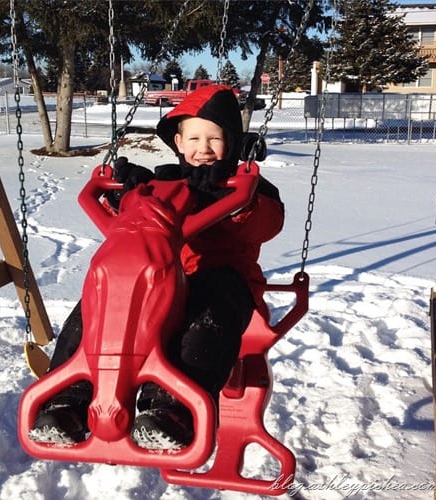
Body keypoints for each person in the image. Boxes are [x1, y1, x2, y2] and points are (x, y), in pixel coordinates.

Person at [28, 84, 284, 450]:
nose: (204, 148)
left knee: (209, 312)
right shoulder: (164, 182)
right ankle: (64, 401)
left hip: (226, 282)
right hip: (156, 283)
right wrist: (126, 192)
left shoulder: (247, 185)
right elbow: (133, 225)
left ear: (232, 142)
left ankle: (171, 410)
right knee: (97, 306)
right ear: (178, 142)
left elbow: (267, 223)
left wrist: (233, 201)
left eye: (216, 138)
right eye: (194, 138)